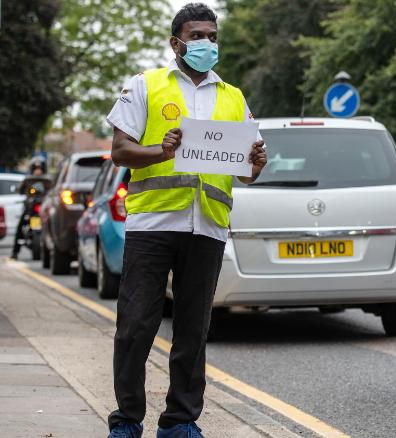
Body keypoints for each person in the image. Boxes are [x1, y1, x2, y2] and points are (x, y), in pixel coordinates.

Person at [105, 4, 267, 437]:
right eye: (197, 36)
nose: (207, 44)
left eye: (213, 37)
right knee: (136, 327)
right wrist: (161, 149)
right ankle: (126, 421)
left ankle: (179, 422)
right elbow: (120, 150)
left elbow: (247, 170)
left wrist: (258, 161)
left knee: (193, 332)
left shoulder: (233, 97)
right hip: (153, 226)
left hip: (207, 227)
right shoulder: (146, 85)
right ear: (176, 42)